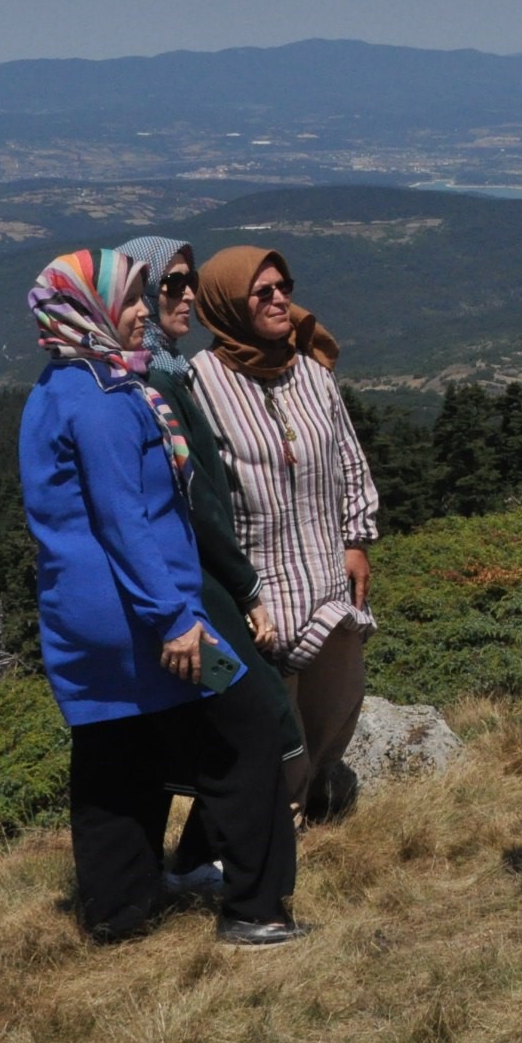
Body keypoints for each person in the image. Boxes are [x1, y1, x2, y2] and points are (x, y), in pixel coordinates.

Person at [16, 247, 305, 947]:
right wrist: (176, 619)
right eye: (132, 299)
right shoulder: (109, 405)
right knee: (250, 730)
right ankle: (254, 907)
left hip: (86, 625)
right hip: (151, 621)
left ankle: (120, 911)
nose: (145, 311)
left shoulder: (54, 388)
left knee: (116, 754)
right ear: (90, 308)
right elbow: (127, 522)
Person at [114, 233, 306, 892]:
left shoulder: (158, 370)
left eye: (189, 281)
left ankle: (190, 864)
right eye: (171, 285)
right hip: (197, 589)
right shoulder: (154, 383)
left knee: (218, 720)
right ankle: (243, 884)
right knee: (258, 714)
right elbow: (194, 501)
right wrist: (247, 587)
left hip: (193, 588)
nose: (186, 295)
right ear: (135, 291)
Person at [185, 244, 382, 821]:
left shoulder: (310, 372)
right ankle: (274, 828)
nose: (280, 298)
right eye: (262, 291)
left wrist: (356, 540)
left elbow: (349, 458)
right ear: (226, 304)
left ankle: (313, 803)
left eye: (284, 286)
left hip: (327, 577)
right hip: (261, 594)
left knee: (336, 702)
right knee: (273, 723)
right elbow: (199, 499)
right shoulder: (202, 384)